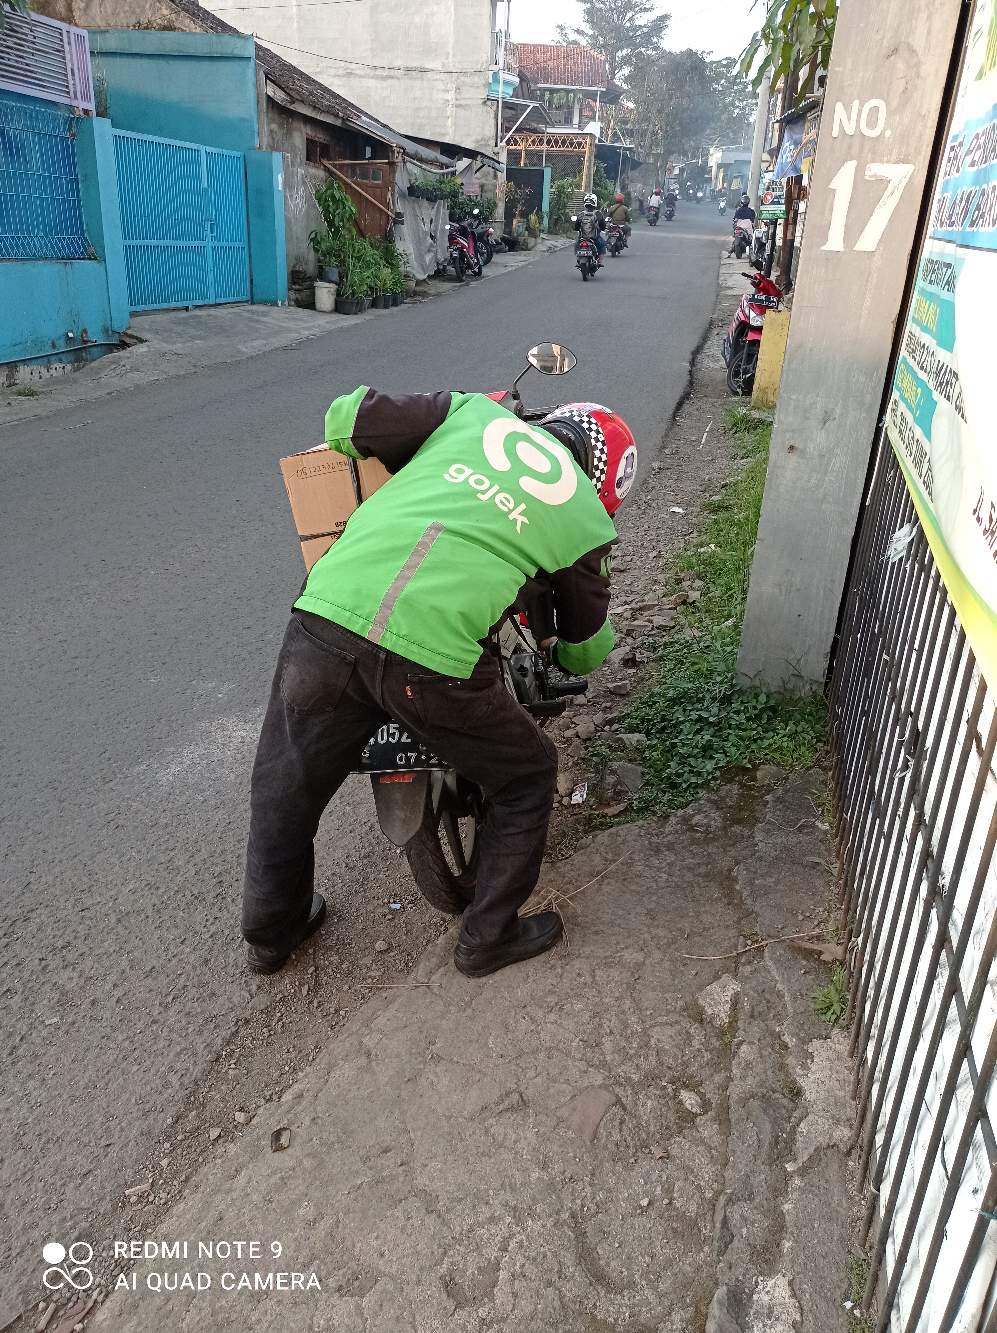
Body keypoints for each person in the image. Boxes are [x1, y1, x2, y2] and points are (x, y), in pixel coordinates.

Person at [242, 387, 639, 980]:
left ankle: (272, 936)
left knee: (286, 784)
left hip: (325, 620)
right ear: (601, 483)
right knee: (528, 775)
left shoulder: (472, 413)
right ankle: (488, 936)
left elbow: (345, 418)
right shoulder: (584, 518)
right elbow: (582, 647)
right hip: (432, 666)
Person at [573, 192, 607, 264]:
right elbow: (603, 227)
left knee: (576, 245)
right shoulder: (598, 214)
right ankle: (600, 261)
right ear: (595, 202)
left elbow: (576, 227)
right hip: (595, 239)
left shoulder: (581, 214)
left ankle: (578, 258)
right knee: (603, 245)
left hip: (582, 239)